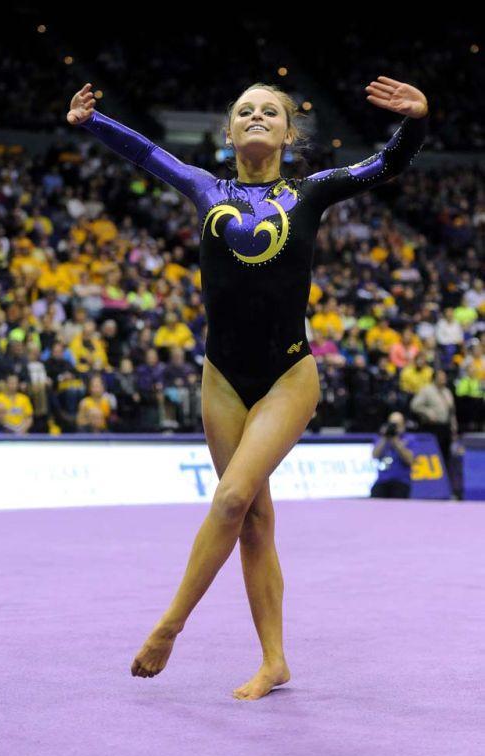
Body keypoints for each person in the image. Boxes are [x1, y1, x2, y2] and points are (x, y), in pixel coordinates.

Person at [68, 76, 429, 699]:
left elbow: (387, 163)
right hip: (221, 378)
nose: (257, 117)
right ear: (229, 133)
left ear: (290, 135)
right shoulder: (207, 188)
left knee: (233, 498)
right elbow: (147, 154)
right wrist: (90, 122)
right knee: (255, 518)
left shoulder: (310, 191)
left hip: (288, 373)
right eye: (244, 111)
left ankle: (168, 626)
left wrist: (416, 121)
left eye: (271, 112)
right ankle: (274, 661)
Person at [371, 412, 414, 498]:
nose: (394, 427)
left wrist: (395, 440)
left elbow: (409, 460)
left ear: (403, 425)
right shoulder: (381, 439)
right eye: (392, 424)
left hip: (401, 481)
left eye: (397, 425)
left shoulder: (409, 439)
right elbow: (374, 455)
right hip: (382, 480)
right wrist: (385, 437)